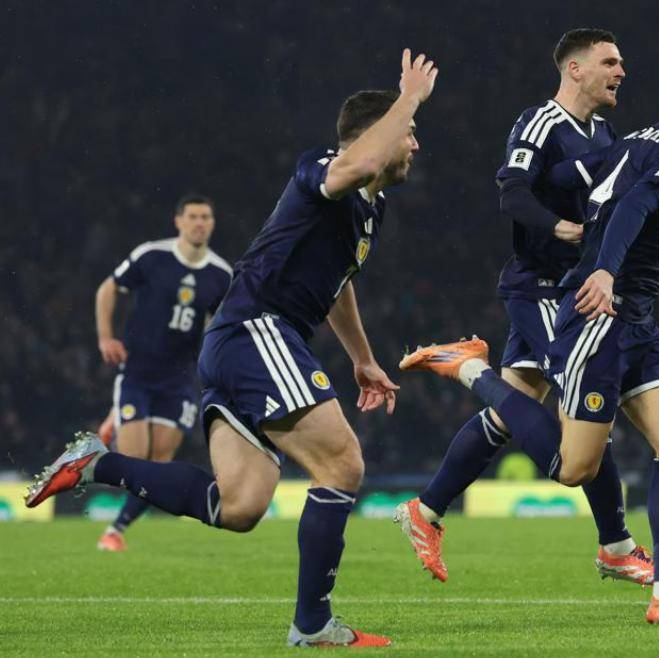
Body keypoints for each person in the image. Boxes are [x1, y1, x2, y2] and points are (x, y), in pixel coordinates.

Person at [26, 49, 439, 648]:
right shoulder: (323, 166)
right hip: (257, 330)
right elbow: (361, 161)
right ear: (376, 133)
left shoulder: (370, 211)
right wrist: (408, 98)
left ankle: (96, 464)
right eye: (409, 133)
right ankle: (313, 625)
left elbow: (339, 285)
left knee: (239, 506)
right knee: (343, 464)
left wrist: (361, 358)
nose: (415, 144)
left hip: (238, 343)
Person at [400, 58, 659, 626]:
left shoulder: (641, 138)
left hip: (636, 320)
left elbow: (590, 188)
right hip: (600, 315)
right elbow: (632, 203)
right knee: (573, 467)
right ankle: (469, 370)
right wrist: (604, 269)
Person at [392, 28, 654, 586]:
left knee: (509, 411)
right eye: (610, 61)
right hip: (544, 288)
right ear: (575, 69)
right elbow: (511, 192)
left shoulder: (604, 133)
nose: (621, 71)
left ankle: (426, 510)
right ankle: (615, 544)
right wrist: (562, 227)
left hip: (573, 287)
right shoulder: (540, 123)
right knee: (586, 409)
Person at [93, 195, 232, 551]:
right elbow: (108, 288)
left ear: (212, 223)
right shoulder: (152, 256)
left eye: (205, 217)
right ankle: (115, 419)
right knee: (134, 460)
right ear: (178, 221)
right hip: (138, 373)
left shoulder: (221, 274)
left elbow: (217, 327)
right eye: (193, 216)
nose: (199, 223)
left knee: (159, 464)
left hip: (180, 379)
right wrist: (106, 337)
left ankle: (115, 530)